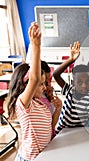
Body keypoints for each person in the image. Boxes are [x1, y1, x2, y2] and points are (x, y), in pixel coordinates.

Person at [7, 22, 54, 161]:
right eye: (40, 84)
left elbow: (49, 128)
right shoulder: (24, 105)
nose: (44, 87)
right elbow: (34, 79)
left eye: (44, 83)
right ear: (25, 84)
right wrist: (36, 46)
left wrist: (57, 110)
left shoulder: (39, 104)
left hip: (43, 156)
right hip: (29, 159)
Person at [53, 41, 89, 141]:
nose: (84, 86)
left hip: (78, 133)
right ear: (73, 83)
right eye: (79, 82)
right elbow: (56, 74)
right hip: (61, 132)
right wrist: (71, 59)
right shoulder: (70, 90)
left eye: (87, 82)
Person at [40, 60, 62, 130]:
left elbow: (51, 125)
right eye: (44, 82)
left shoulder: (46, 95)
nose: (46, 86)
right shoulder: (33, 101)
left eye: (48, 80)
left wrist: (50, 98)